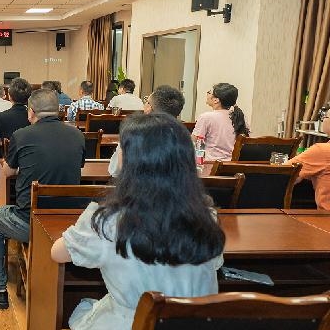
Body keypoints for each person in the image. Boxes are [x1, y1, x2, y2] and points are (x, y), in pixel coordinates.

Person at [51, 113, 225, 330]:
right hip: (196, 323)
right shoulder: (206, 216)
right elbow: (215, 265)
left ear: (131, 160)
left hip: (132, 323)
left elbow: (57, 253)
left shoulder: (108, 221)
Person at [0, 89, 85, 310]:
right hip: (69, 222)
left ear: (31, 112)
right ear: (58, 110)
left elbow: (8, 172)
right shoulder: (77, 135)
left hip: (30, 221)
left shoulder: (22, 135)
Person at [108, 85, 186, 177]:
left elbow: (115, 170)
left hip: (135, 185)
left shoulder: (132, 133)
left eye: (146, 101)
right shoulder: (185, 138)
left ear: (149, 108)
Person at [0, 78, 33, 192]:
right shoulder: (33, 118)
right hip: (31, 163)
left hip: (9, 161)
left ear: (9, 96)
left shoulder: (1, 117)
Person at [192, 83, 249, 161]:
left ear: (216, 100)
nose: (207, 94)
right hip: (232, 166)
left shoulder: (206, 117)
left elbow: (194, 142)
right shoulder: (240, 117)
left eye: (209, 92)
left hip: (211, 165)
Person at [287, 109, 330, 209]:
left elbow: (283, 173)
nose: (323, 120)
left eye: (325, 117)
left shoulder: (322, 151)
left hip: (325, 216)